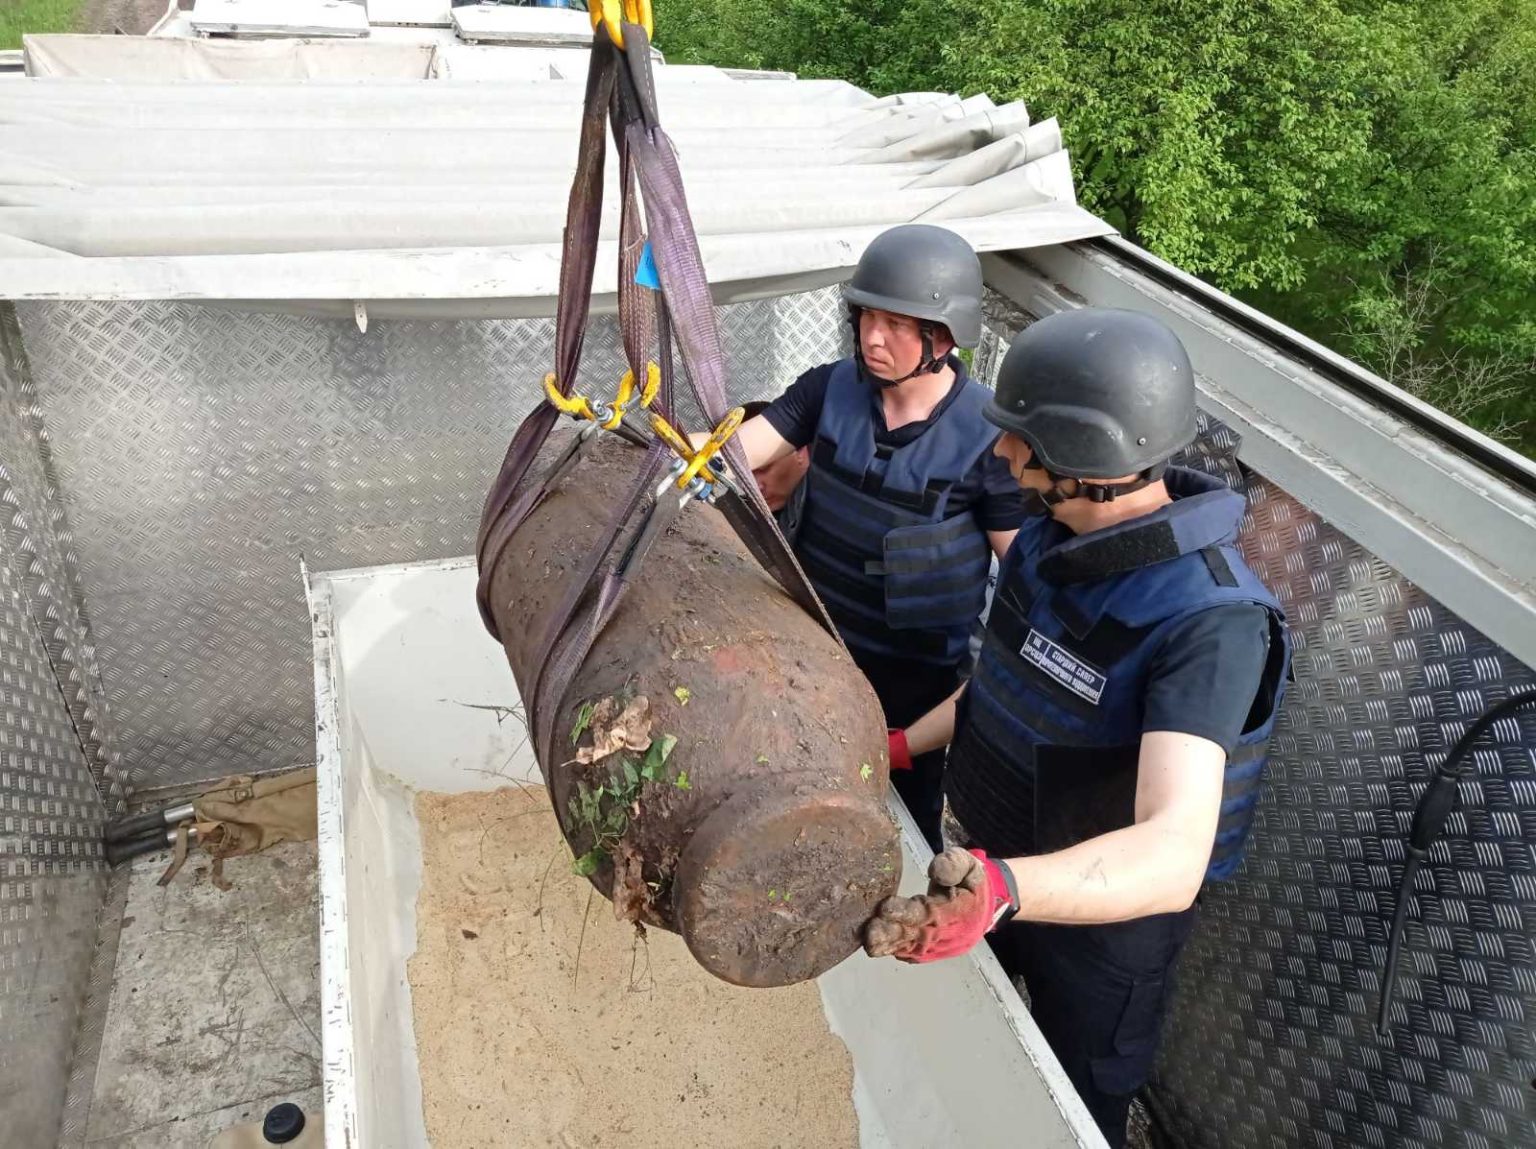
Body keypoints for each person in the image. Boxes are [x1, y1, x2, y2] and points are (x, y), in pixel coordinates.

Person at [862, 308, 1291, 1148]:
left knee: (1068, 1105)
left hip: (1100, 937)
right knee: (978, 1059)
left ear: (1081, 461)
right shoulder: (1044, 542)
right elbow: (1000, 690)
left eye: (1020, 440)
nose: (1001, 454)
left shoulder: (1213, 620)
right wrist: (899, 746)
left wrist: (1005, 891)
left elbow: (1173, 854)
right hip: (992, 868)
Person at [728, 224, 1025, 849]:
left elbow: (1027, 578)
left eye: (894, 323)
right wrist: (681, 459)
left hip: (913, 697)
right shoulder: (828, 387)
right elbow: (737, 452)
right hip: (808, 655)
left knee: (899, 839)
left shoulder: (989, 438)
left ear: (941, 337)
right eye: (865, 317)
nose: (872, 337)